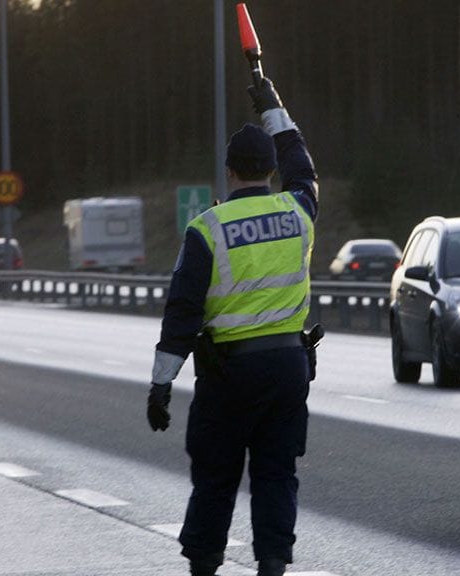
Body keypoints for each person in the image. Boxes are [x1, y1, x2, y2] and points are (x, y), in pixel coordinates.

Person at [147, 76, 318, 576]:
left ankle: (204, 566)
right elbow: (303, 164)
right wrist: (275, 108)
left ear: (228, 172)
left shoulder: (207, 229)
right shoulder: (298, 211)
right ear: (270, 170)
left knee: (216, 478)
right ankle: (271, 566)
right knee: (276, 474)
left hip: (228, 375)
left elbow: (181, 314)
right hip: (288, 367)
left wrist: (161, 385)